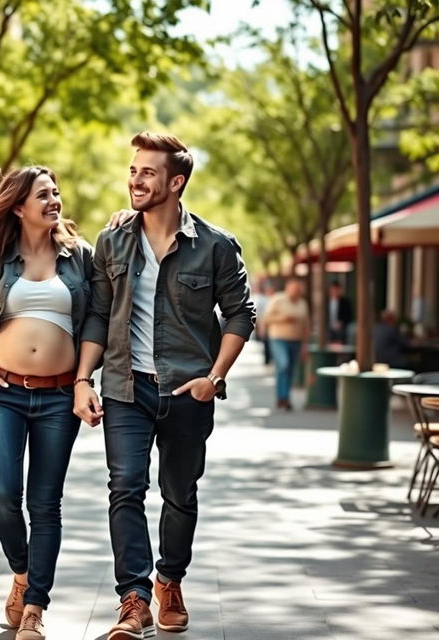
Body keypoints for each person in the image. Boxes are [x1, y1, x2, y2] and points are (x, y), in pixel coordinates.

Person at [73, 132, 256, 639]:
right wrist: (82, 379)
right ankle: (133, 600)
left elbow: (242, 313)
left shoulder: (216, 246)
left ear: (175, 183)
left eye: (147, 172)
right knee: (125, 488)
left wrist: (214, 377)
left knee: (180, 494)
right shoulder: (113, 240)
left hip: (187, 391)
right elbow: (99, 313)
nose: (135, 179)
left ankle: (169, 578)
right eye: (133, 170)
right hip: (125, 388)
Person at [0, 166, 92, 640]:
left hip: (59, 395)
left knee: (45, 504)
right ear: (19, 206)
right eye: (43, 194)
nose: (54, 199)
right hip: (2, 392)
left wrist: (85, 379)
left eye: (57, 191)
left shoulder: (80, 258)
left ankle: (36, 605)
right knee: (2, 496)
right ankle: (22, 570)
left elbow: (96, 318)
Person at [263, 278, 310, 410]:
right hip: (279, 338)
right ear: (288, 288)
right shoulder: (278, 299)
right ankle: (282, 396)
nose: (297, 292)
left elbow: (306, 324)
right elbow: (266, 318)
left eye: (299, 290)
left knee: (290, 369)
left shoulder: (302, 303)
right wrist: (282, 319)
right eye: (294, 289)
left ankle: (285, 397)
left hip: (296, 340)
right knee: (283, 365)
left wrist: (305, 344)